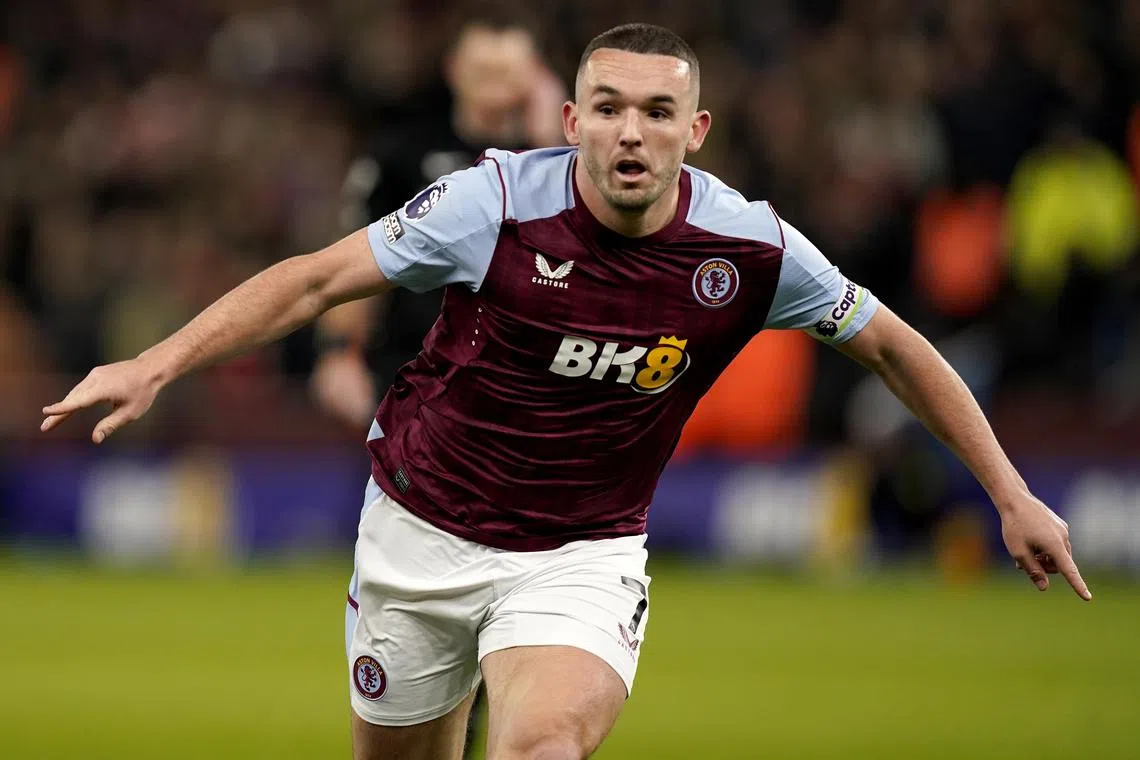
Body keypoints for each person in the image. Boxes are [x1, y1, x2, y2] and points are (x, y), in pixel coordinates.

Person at [41, 23, 1091, 760]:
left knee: (539, 745)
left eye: (657, 112)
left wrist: (1008, 493)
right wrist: (155, 360)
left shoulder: (749, 246)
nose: (631, 131)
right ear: (571, 117)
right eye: (609, 108)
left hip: (580, 552)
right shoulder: (488, 204)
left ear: (698, 129)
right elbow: (316, 279)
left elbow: (896, 346)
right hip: (419, 531)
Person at [312, 13, 565, 428]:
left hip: (520, 382)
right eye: (483, 71)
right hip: (411, 371)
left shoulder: (552, 166)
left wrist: (553, 143)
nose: (495, 84)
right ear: (454, 69)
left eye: (507, 72)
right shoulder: (400, 153)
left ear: (532, 76)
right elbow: (355, 256)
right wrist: (340, 352)